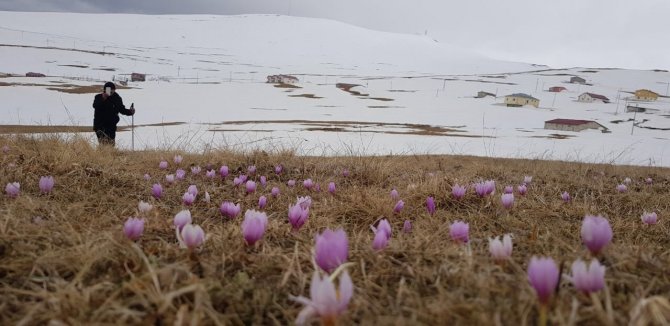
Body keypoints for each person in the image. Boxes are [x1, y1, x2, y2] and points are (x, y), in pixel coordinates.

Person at [92, 82, 135, 146]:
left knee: (111, 145)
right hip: (100, 126)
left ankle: (109, 155)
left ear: (114, 90)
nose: (110, 92)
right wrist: (103, 98)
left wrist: (130, 112)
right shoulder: (98, 97)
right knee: (103, 144)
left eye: (112, 90)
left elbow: (122, 109)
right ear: (104, 90)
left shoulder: (117, 98)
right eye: (107, 90)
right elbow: (95, 105)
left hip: (111, 126)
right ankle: (102, 155)